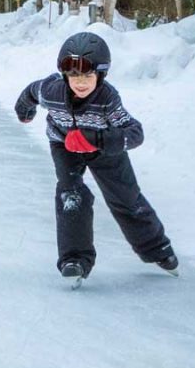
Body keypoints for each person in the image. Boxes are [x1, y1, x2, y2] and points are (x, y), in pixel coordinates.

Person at [14, 31, 178, 285]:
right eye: (74, 75)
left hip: (102, 146)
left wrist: (99, 139)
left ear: (100, 74)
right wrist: (24, 109)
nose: (81, 82)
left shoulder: (107, 99)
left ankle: (156, 248)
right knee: (71, 193)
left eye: (88, 75)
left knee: (125, 196)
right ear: (65, 74)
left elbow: (135, 132)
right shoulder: (52, 90)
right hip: (63, 144)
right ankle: (75, 258)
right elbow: (30, 92)